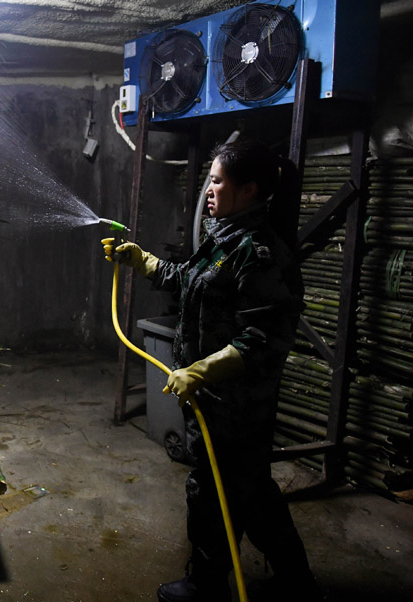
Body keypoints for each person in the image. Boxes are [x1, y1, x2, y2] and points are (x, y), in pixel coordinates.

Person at [102, 139, 322, 602]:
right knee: (253, 492)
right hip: (216, 401)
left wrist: (200, 371)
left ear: (249, 190)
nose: (209, 191)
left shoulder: (258, 254)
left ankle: (205, 587)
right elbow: (189, 280)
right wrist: (141, 261)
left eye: (218, 182)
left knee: (212, 492)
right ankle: (296, 582)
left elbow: (261, 339)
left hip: (237, 406)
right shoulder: (225, 240)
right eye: (210, 181)